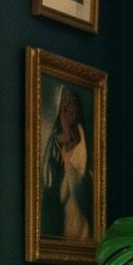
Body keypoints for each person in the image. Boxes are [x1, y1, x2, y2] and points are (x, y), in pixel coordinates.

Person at [39, 87, 92, 243]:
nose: (70, 113)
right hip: (58, 197)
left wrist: (69, 165)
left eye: (73, 108)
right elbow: (47, 174)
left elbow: (82, 170)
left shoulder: (81, 137)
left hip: (76, 200)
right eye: (66, 109)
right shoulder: (54, 141)